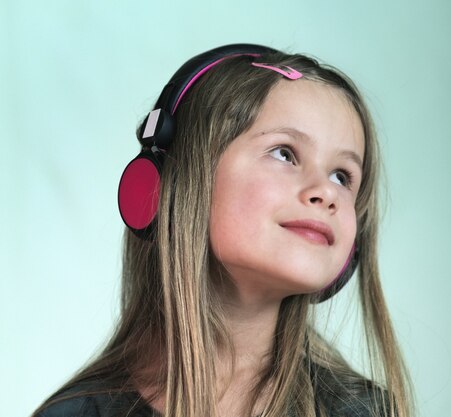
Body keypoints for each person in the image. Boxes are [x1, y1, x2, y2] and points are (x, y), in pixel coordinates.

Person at [33, 44, 414, 417]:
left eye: (342, 176)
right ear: (169, 187)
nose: (327, 192)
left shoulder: (365, 411)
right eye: (284, 153)